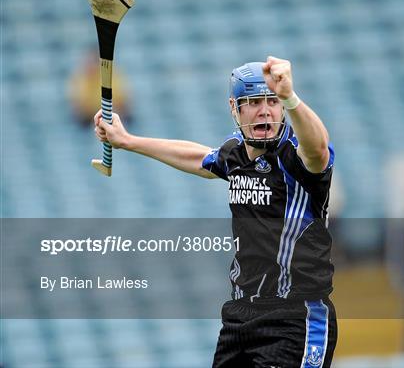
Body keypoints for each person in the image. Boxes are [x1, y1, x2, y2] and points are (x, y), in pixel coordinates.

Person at [94, 56, 337, 367]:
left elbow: (318, 149)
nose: (265, 110)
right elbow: (199, 159)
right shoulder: (235, 153)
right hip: (240, 317)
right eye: (252, 102)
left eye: (272, 101)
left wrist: (290, 96)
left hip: (295, 318)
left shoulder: (298, 158)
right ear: (235, 108)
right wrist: (128, 141)